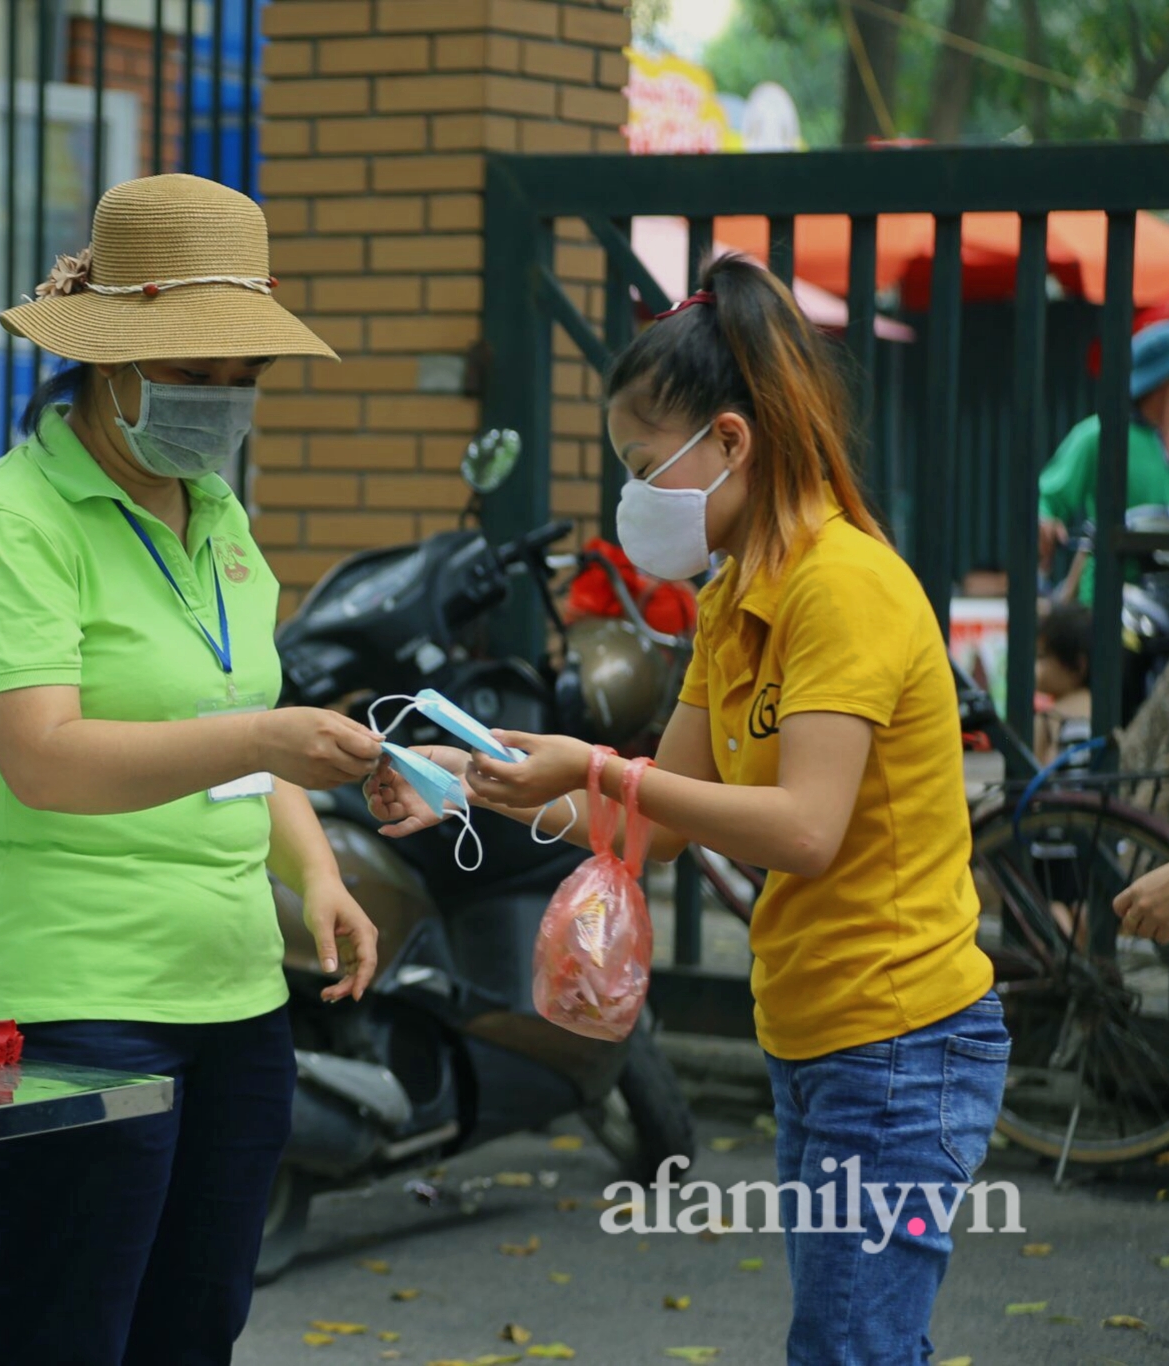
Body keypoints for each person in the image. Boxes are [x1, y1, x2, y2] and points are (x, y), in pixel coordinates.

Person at [370, 258, 1007, 1366]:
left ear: (727, 440)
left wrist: (595, 769)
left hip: (900, 1042)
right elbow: (655, 824)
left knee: (848, 1346)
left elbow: (803, 828)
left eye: (638, 466)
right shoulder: (734, 594)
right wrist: (484, 781)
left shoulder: (839, 586)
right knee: (846, 1341)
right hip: (815, 1033)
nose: (629, 499)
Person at [0, 173, 383, 1366]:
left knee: (194, 1331)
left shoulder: (215, 513)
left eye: (243, 381)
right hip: (70, 995)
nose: (220, 406)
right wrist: (262, 739)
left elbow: (244, 718)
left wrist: (317, 871)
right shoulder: (6, 524)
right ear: (106, 359)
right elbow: (46, 761)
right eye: (192, 376)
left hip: (231, 990)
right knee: (61, 1334)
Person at [1036, 320, 1169, 604]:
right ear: (1162, 384)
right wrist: (1045, 522)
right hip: (1109, 604)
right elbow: (1047, 498)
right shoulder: (1100, 435)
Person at [1033, 603, 1093, 767]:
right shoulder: (1102, 710)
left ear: (1078, 665)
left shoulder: (1048, 719)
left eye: (1042, 657)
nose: (1036, 667)